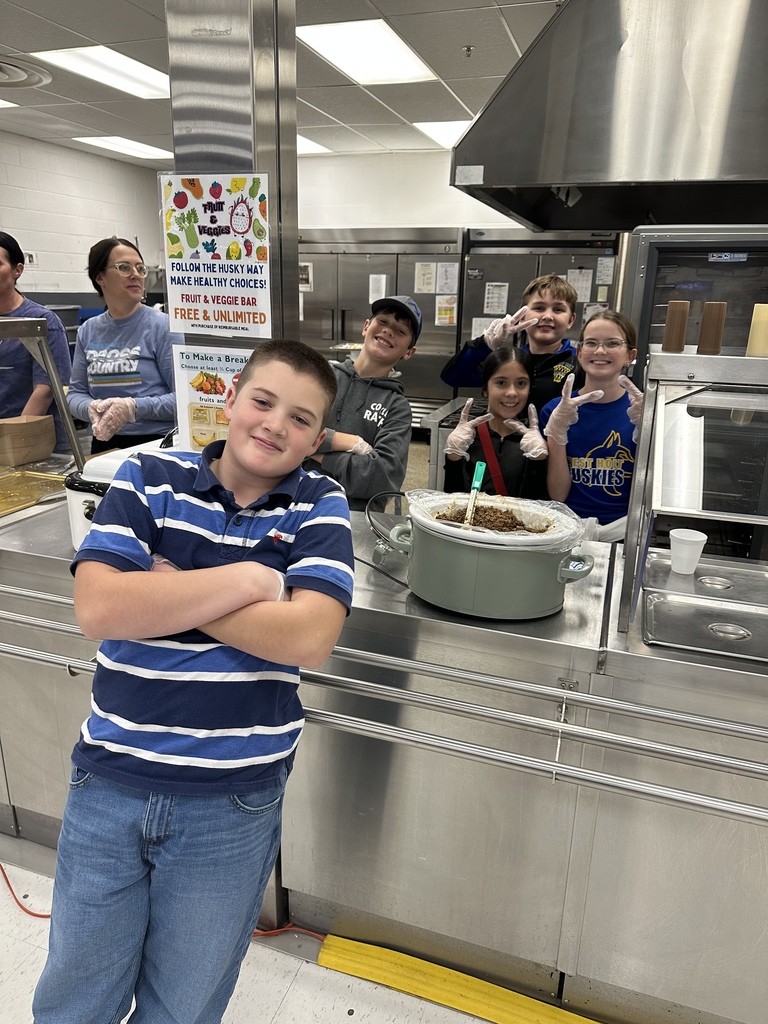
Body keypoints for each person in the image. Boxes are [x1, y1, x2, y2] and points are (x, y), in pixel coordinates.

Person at [32, 339, 355, 1024]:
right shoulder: (150, 475)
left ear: (316, 440)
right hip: (110, 783)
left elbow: (310, 637)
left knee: (184, 1002)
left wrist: (172, 591)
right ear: (231, 399)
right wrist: (251, 582)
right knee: (76, 994)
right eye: (263, 401)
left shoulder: (319, 504)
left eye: (300, 419)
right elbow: (101, 608)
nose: (275, 425)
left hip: (231, 802)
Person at [67, 237, 183, 454]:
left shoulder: (163, 327)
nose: (135, 274)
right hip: (104, 443)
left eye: (140, 268)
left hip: (157, 443)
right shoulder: (88, 330)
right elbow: (75, 394)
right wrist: (90, 408)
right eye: (124, 267)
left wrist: (132, 408)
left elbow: (184, 398)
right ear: (100, 277)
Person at [305, 295, 422, 510]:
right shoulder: (322, 377)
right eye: (383, 321)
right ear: (366, 326)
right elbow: (289, 432)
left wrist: (317, 453)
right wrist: (348, 442)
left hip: (352, 516)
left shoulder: (397, 407)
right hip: (294, 503)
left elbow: (381, 479)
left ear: (409, 352)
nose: (388, 331)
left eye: (400, 331)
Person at [539, 310, 643, 526]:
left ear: (630, 356)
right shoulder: (555, 411)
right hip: (565, 526)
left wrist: (648, 430)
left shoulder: (641, 412)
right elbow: (557, 494)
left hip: (625, 530)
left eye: (612, 343)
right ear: (579, 352)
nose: (600, 351)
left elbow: (650, 493)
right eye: (591, 343)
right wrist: (556, 434)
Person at [440, 273, 581, 412]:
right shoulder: (510, 360)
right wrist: (484, 345)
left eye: (558, 309)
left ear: (571, 320)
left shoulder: (579, 363)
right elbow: (454, 377)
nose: (548, 316)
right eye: (539, 308)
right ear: (522, 317)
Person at [443, 346, 548, 498]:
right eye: (501, 383)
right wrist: (453, 457)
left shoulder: (535, 442)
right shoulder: (468, 437)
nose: (512, 392)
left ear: (529, 389)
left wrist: (538, 462)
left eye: (521, 383)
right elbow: (452, 499)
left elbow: (537, 505)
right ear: (485, 389)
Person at [0, 231, 72, 452]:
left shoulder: (42, 321)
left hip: (35, 445)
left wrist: (15, 441)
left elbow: (46, 390)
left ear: (18, 270)